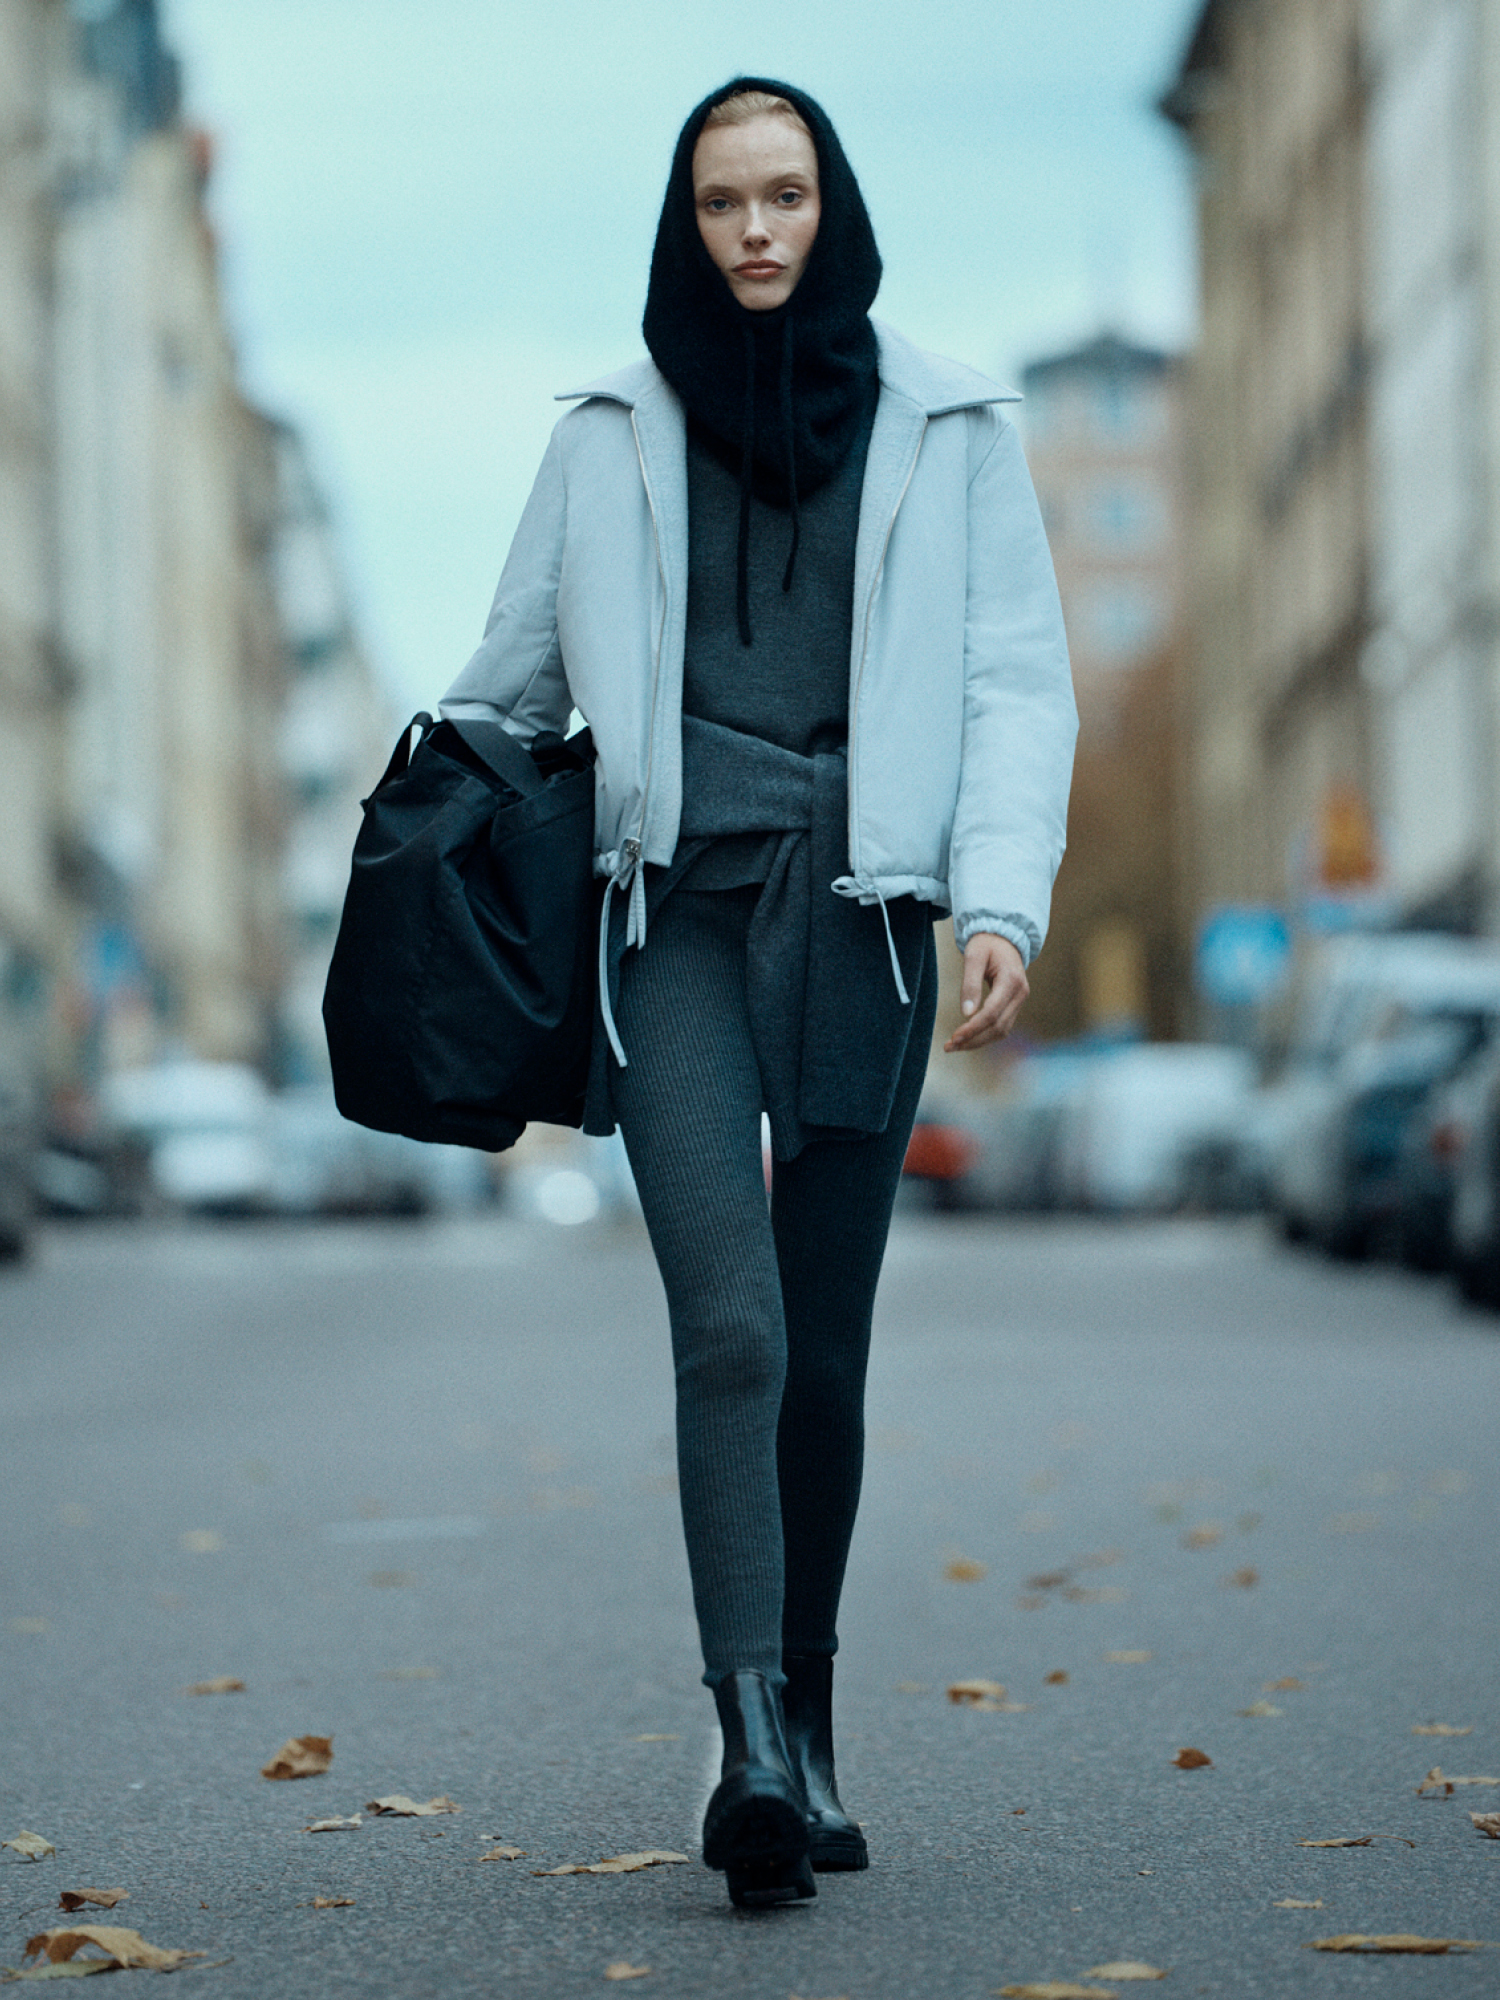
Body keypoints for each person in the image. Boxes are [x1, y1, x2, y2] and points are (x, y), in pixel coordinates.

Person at [442, 77, 1076, 1909]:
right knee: (729, 1319)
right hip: (683, 922)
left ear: (834, 206)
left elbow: (1017, 685)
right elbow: (511, 679)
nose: (756, 231)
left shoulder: (947, 428)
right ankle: (746, 1749)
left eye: (785, 194)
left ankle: (808, 1717)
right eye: (723, 200)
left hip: (875, 921)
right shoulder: (606, 437)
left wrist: (1004, 903)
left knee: (825, 1351)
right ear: (685, 219)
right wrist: (426, 831)